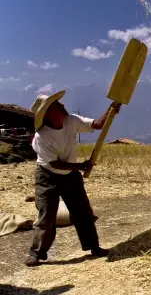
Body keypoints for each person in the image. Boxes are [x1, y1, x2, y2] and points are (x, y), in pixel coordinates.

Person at [25, 90, 119, 267]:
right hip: (47, 177)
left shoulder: (71, 121)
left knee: (83, 211)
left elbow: (97, 125)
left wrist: (111, 108)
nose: (63, 105)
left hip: (71, 176)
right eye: (57, 104)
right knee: (46, 216)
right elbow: (55, 164)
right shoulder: (42, 137)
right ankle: (36, 253)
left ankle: (93, 246)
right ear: (49, 113)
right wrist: (80, 166)